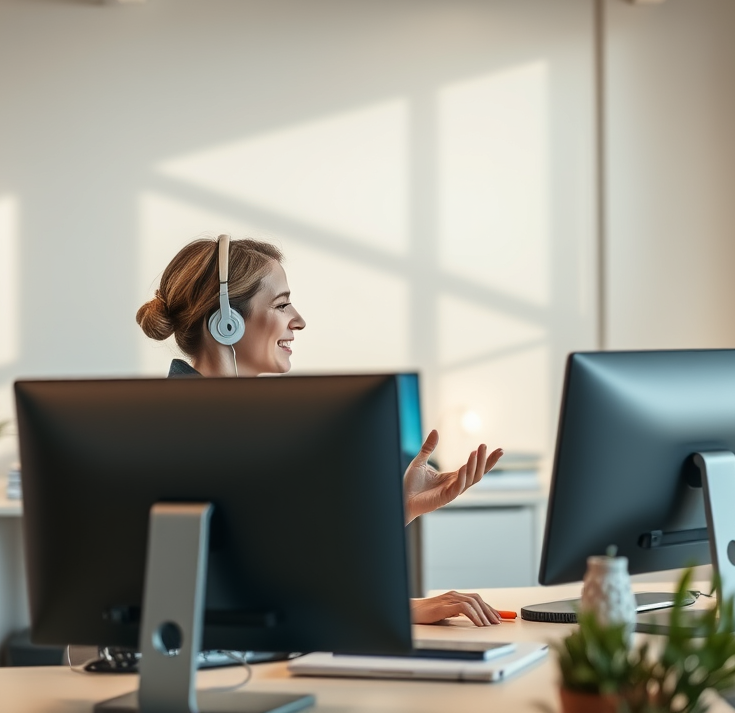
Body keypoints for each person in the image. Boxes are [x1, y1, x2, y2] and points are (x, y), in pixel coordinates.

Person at [136, 235, 505, 627]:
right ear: (226, 322)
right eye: (280, 305)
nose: (299, 319)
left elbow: (291, 561)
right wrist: (395, 608)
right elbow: (229, 591)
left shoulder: (242, 428)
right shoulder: (181, 433)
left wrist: (403, 504)